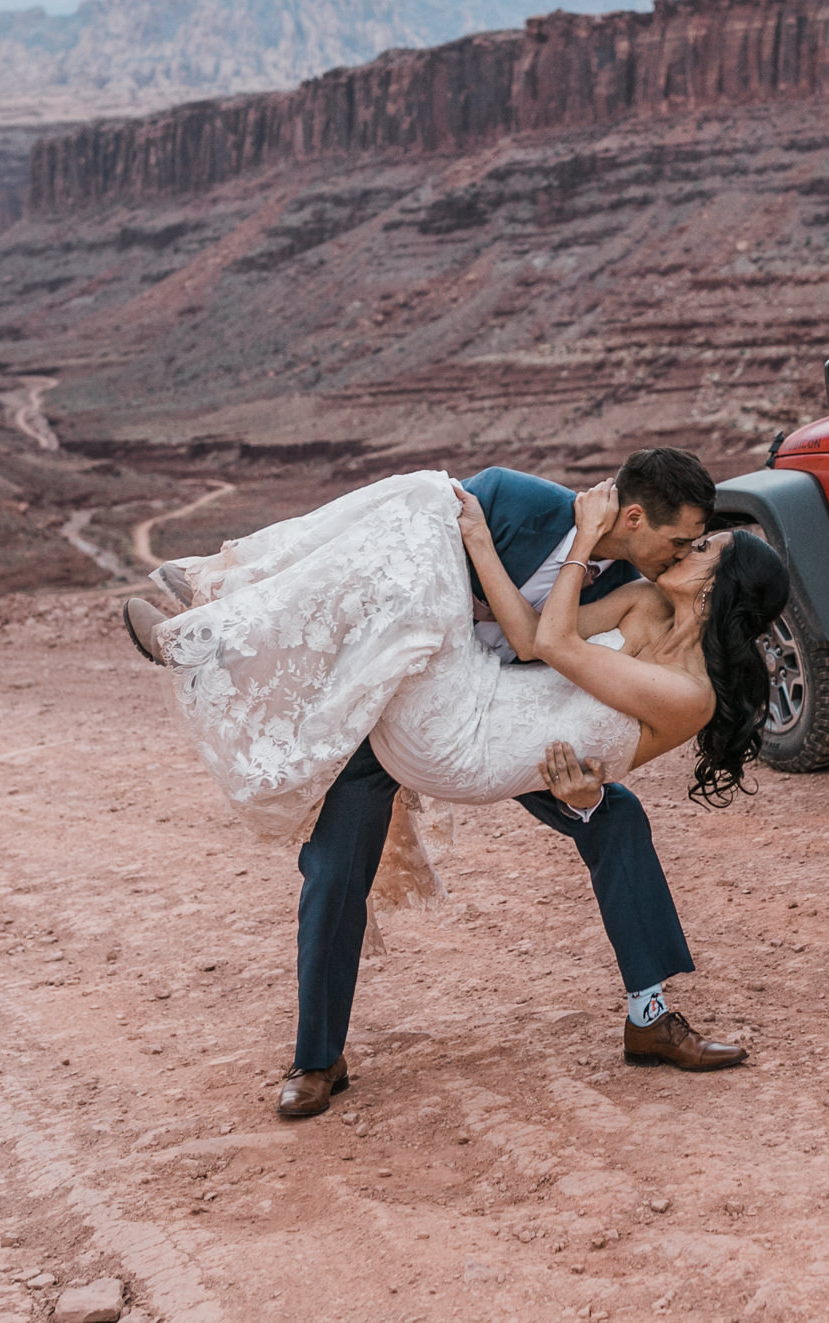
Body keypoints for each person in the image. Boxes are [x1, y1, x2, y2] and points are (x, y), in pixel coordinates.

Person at [122, 448, 790, 1117]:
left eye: (696, 548)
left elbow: (558, 662)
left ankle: (649, 1014)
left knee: (616, 815)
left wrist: (587, 790)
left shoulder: (629, 593)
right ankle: (317, 1058)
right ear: (638, 517)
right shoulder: (517, 507)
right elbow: (525, 635)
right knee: (336, 866)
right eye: (682, 540)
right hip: (443, 691)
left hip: (516, 733)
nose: (681, 554)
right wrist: (476, 535)